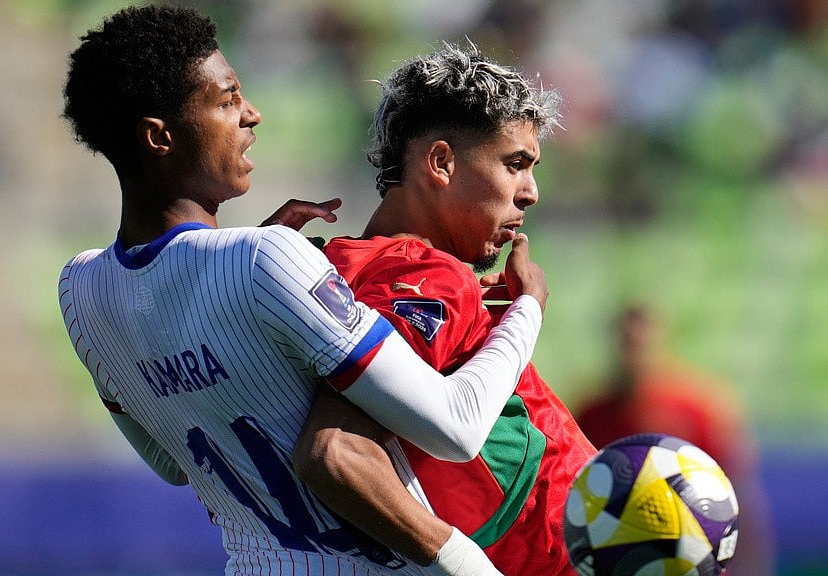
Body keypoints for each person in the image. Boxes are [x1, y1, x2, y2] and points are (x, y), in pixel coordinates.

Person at [58, 6, 550, 575]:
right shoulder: (267, 259)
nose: (252, 115)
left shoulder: (81, 289)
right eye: (227, 99)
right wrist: (527, 309)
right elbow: (455, 427)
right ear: (159, 138)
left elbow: (171, 461)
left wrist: (248, 292)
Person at [293, 43, 597, 576]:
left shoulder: (333, 265)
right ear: (441, 162)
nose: (531, 193)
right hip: (566, 554)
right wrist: (527, 309)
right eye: (515, 164)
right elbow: (337, 454)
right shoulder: (425, 276)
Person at [574, 304, 777, 576]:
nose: (635, 353)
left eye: (642, 342)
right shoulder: (593, 413)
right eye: (628, 342)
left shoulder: (697, 407)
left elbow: (738, 489)